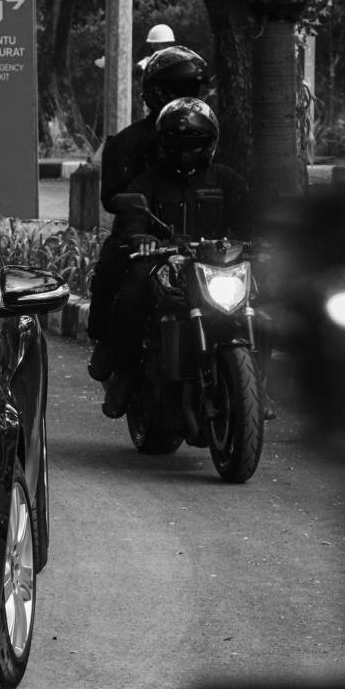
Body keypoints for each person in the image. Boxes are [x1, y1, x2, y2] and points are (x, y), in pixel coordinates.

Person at [100, 97, 251, 417]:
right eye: (177, 143)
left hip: (218, 264)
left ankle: (258, 383)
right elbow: (132, 219)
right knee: (131, 296)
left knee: (265, 300)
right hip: (163, 262)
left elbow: (250, 221)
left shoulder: (227, 180)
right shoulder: (148, 182)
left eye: (194, 144)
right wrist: (140, 237)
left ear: (209, 144)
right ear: (164, 144)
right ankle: (125, 374)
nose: (185, 151)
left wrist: (262, 242)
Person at [87, 45, 210, 381]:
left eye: (195, 90)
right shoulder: (127, 143)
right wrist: (140, 229)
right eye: (181, 90)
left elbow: (230, 188)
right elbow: (113, 197)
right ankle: (113, 353)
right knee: (115, 273)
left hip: (202, 241)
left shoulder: (209, 133)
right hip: (144, 239)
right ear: (157, 92)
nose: (190, 98)